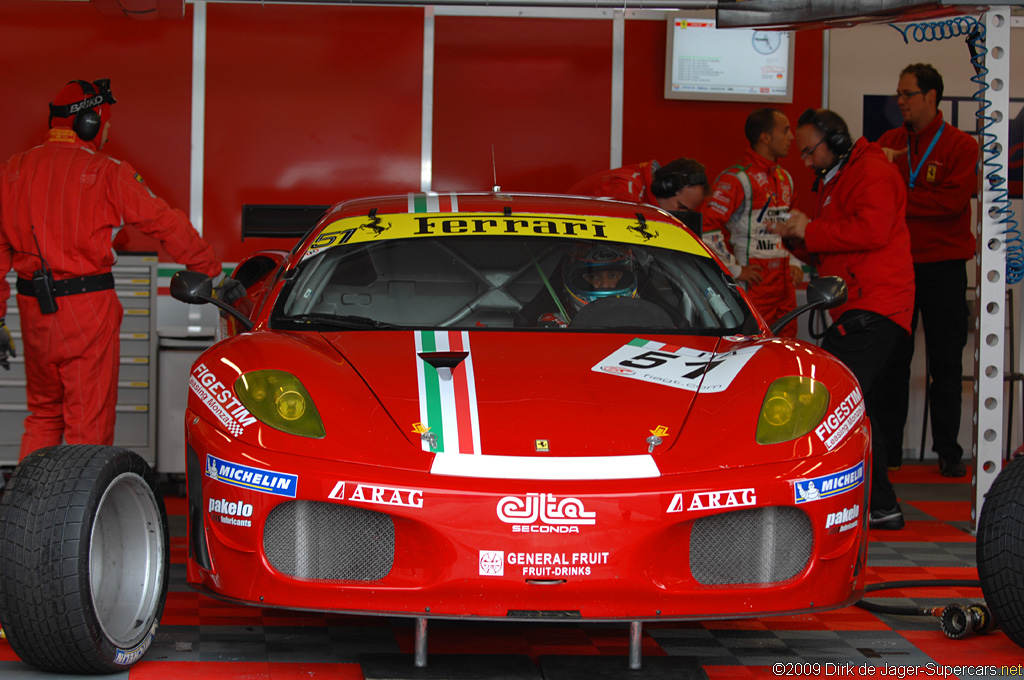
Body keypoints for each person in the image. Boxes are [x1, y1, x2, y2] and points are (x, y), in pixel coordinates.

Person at [0, 78, 244, 460]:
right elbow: (166, 223)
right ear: (89, 123)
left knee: (43, 416)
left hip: (33, 312)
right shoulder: (107, 173)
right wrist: (212, 272)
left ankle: (29, 513)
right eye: (105, 122)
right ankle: (80, 519)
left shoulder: (12, 171)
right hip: (86, 310)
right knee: (87, 427)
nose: (108, 132)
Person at [770, 108, 915, 531]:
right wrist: (797, 240)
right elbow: (836, 243)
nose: (807, 160)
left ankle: (865, 503)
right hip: (863, 303)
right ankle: (881, 505)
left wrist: (809, 229)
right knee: (855, 407)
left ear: (834, 140)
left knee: (832, 400)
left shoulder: (871, 172)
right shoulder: (837, 178)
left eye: (810, 150)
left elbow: (870, 231)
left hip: (876, 306)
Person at [874, 64, 977, 478]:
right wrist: (912, 197)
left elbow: (950, 205)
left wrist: (903, 197)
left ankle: (949, 452)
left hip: (945, 268)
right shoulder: (888, 142)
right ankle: (891, 453)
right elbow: (878, 200)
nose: (900, 101)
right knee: (894, 361)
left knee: (946, 363)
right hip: (899, 265)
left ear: (931, 97)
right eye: (898, 93)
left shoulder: (960, 146)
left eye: (908, 94)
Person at [701, 108, 804, 337]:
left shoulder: (785, 178)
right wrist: (734, 269)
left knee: (787, 346)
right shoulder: (736, 178)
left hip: (785, 285)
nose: (791, 138)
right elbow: (707, 227)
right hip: (754, 284)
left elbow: (793, 225)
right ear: (765, 137)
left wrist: (796, 262)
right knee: (753, 346)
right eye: (785, 130)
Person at [515, 242, 639, 328]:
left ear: (625, 277)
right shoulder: (554, 325)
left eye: (612, 276)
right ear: (576, 278)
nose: (605, 284)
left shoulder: (646, 320)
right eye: (593, 277)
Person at [568, 158, 710, 212]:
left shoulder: (639, 184)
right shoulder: (626, 193)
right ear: (665, 187)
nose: (681, 215)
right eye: (681, 207)